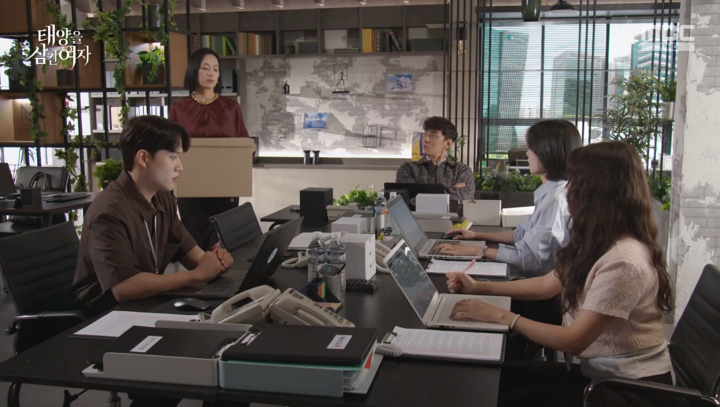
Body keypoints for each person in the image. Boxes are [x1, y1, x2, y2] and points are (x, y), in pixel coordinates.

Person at [445, 141, 674, 407]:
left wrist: (500, 316)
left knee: (494, 396)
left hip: (630, 390)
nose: (568, 188)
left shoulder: (624, 260)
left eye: (574, 180)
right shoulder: (597, 240)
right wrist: (479, 287)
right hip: (600, 374)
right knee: (490, 381)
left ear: (598, 190)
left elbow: (574, 341)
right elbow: (547, 284)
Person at [72, 116, 234, 316]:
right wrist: (196, 275)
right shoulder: (109, 212)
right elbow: (123, 288)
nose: (180, 166)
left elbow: (194, 256)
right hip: (104, 316)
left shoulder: (162, 198)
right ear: (143, 158)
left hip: (145, 304)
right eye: (173, 157)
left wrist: (215, 262)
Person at [439, 119, 582, 277]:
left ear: (548, 152)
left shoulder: (555, 200)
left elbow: (530, 259)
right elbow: (521, 234)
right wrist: (475, 235)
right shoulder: (551, 192)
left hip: (535, 282)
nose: (527, 153)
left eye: (531, 148)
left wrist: (478, 250)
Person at [169, 47, 250, 250]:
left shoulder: (232, 108)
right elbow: (170, 147)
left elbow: (244, 141)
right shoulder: (179, 109)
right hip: (190, 187)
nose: (211, 73)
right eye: (205, 68)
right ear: (194, 71)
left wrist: (249, 149)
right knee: (195, 245)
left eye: (215, 69)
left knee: (222, 243)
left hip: (226, 185)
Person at [396, 117, 475, 201]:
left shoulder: (461, 170)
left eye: (433, 135)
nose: (426, 139)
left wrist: (422, 193)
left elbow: (466, 194)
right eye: (425, 135)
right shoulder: (408, 169)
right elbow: (408, 197)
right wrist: (450, 190)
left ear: (448, 143)